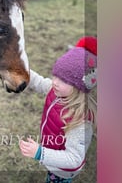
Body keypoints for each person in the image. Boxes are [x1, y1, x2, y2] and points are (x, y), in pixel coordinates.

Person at [19, 36, 97, 183]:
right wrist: (22, 71)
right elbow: (39, 82)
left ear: (79, 87)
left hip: (63, 171)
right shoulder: (56, 90)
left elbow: (74, 158)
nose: (55, 82)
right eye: (55, 75)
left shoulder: (80, 120)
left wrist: (40, 153)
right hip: (53, 153)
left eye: (64, 80)